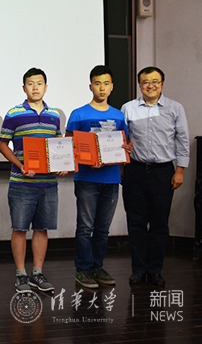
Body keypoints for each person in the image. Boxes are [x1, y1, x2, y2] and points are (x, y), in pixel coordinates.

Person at [0, 67, 66, 293]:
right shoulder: (14, 113)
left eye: (39, 83)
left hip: (48, 184)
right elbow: (2, 145)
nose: (35, 87)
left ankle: (37, 273)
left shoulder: (54, 114)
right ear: (24, 87)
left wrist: (62, 165)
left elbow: (58, 147)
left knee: (42, 228)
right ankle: (21, 275)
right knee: (19, 229)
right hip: (22, 183)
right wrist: (20, 165)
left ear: (46, 87)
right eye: (30, 83)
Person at [121, 66, 189, 287]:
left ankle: (155, 270)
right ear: (139, 85)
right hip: (135, 171)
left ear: (162, 84)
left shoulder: (175, 108)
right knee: (136, 223)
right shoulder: (128, 108)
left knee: (160, 224)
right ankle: (139, 270)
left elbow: (183, 140)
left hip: (163, 172)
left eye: (155, 81)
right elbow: (122, 139)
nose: (150, 85)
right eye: (145, 82)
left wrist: (180, 170)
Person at [66, 65, 130, 289]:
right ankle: (83, 269)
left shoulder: (119, 116)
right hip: (86, 179)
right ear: (90, 86)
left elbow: (124, 144)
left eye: (106, 83)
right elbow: (69, 144)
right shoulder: (78, 114)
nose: (102, 88)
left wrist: (126, 151)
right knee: (85, 227)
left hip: (111, 179)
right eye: (97, 83)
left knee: (103, 229)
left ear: (112, 87)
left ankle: (97, 267)